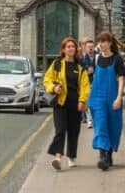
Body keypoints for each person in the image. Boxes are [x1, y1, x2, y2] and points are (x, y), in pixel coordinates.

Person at [43, 37, 90, 171]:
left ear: (75, 50)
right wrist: (53, 88)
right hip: (60, 103)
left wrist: (82, 101)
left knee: (74, 131)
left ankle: (71, 156)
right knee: (60, 130)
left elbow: (85, 86)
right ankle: (58, 157)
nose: (71, 48)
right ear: (63, 49)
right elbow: (47, 79)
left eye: (73, 47)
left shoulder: (79, 67)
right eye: (68, 46)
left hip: (75, 103)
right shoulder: (57, 64)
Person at [88, 31, 125, 171]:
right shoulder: (97, 59)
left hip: (112, 97)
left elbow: (122, 79)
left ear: (110, 43)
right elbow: (90, 74)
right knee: (100, 125)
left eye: (104, 41)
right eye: (100, 41)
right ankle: (102, 157)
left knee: (112, 125)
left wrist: (119, 97)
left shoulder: (117, 59)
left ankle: (109, 154)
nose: (101, 44)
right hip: (97, 97)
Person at [79, 38, 96, 128]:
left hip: (97, 83)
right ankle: (90, 121)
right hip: (87, 83)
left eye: (92, 47)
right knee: (89, 102)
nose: (90, 49)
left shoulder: (98, 58)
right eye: (89, 47)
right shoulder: (82, 59)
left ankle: (93, 119)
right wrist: (86, 71)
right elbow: (80, 71)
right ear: (85, 48)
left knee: (96, 103)